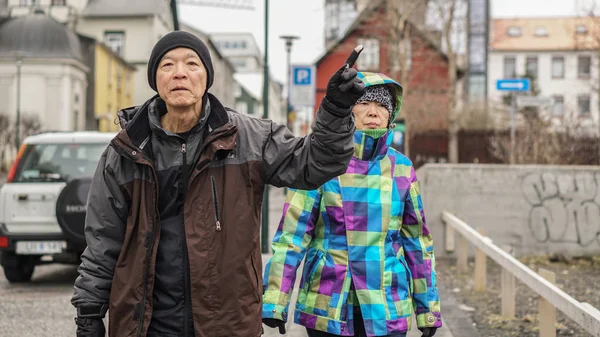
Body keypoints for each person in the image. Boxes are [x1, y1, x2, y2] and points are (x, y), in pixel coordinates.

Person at [70, 31, 367, 337]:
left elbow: (315, 164)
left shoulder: (250, 138)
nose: (180, 73)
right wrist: (89, 312)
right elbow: (103, 241)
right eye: (167, 65)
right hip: (145, 325)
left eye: (192, 64)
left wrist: (335, 110)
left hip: (227, 323)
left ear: (207, 77)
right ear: (155, 79)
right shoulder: (126, 151)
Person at [262, 72, 442, 337]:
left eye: (382, 105)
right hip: (328, 303)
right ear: (349, 110)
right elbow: (292, 236)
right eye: (363, 103)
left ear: (391, 115)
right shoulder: (321, 162)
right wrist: (275, 301)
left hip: (387, 304)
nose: (373, 112)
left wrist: (428, 308)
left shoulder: (402, 168)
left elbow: (417, 242)